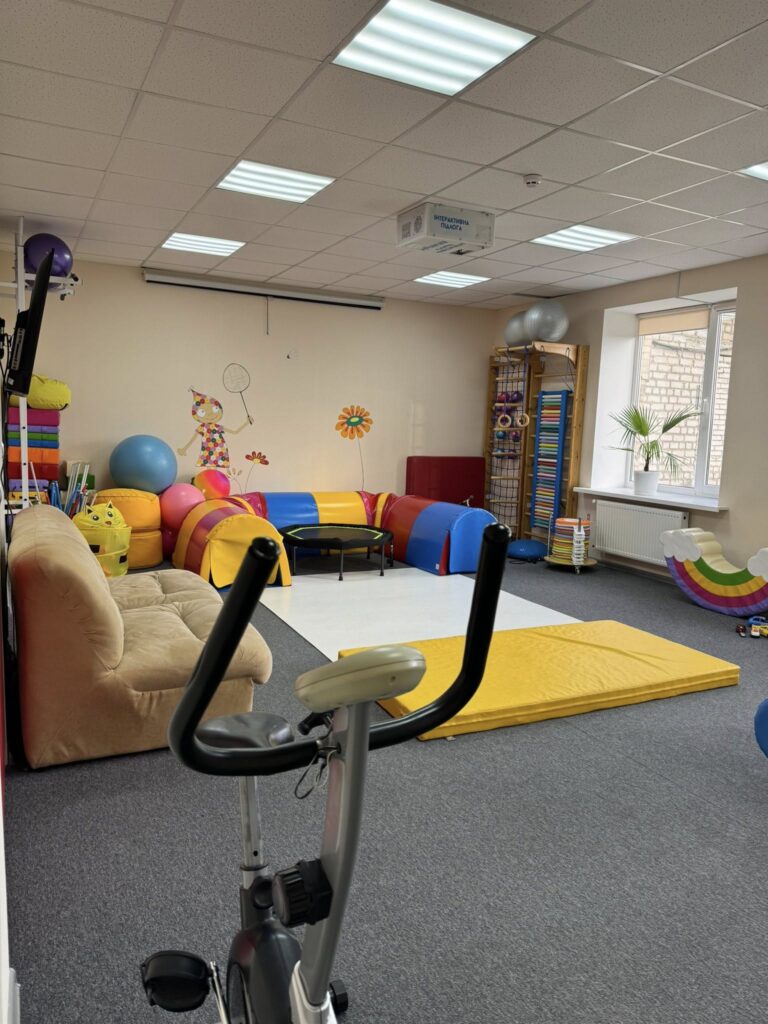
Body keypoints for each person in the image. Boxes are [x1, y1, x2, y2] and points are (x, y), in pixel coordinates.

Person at [177, 388, 252, 468]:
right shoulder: (202, 427)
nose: (210, 413)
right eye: (202, 412)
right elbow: (193, 438)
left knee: (216, 469)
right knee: (209, 468)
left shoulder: (217, 427)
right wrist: (184, 448)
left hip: (220, 450)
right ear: (197, 416)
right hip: (208, 451)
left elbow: (234, 432)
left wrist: (246, 423)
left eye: (215, 409)